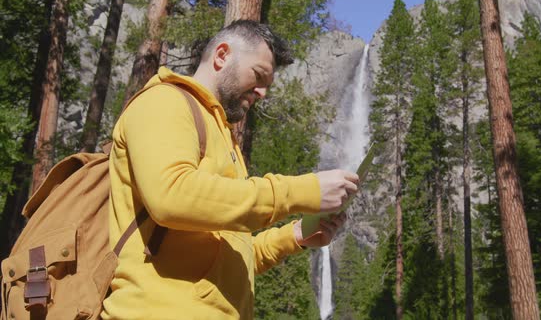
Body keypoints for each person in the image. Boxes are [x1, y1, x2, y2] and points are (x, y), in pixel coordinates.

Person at [101, 20, 359, 320]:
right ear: (222, 55)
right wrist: (303, 191)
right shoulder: (164, 101)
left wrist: (296, 235)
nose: (262, 92)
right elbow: (171, 195)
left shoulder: (222, 135)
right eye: (258, 75)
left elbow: (229, 256)